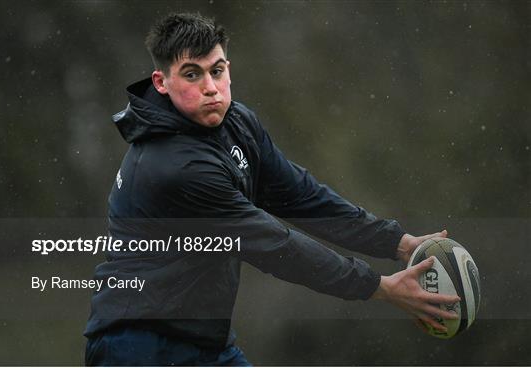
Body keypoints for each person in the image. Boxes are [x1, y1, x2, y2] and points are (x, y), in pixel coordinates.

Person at [84, 12, 460, 366]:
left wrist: (397, 243)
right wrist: (379, 287)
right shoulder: (175, 166)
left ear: (228, 68)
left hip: (204, 342)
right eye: (192, 75)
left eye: (216, 71)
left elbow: (301, 196)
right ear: (161, 82)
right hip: (137, 345)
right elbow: (274, 245)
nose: (211, 88)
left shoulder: (238, 123)